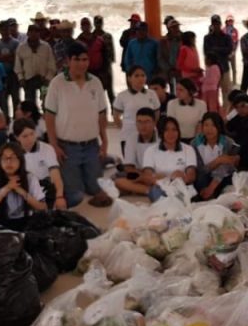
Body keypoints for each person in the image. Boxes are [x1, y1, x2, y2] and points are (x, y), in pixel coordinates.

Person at [44, 45, 113, 208]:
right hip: (67, 148)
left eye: (85, 59)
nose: (81, 64)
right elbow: (49, 116)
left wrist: (104, 141)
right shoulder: (57, 83)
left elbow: (102, 114)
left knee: (97, 190)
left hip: (91, 145)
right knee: (75, 196)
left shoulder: (95, 82)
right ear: (68, 61)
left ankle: (105, 161)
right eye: (77, 59)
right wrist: (54, 145)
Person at [0, 140, 46, 229]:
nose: (9, 162)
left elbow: (42, 208)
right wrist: (4, 190)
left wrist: (21, 191)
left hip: (26, 222)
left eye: (13, 158)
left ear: (20, 160)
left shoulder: (30, 178)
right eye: (4, 158)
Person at [141, 116, 198, 201]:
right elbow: (147, 176)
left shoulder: (188, 149)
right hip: (160, 188)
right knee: (156, 194)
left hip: (182, 188)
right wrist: (171, 178)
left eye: (174, 130)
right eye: (166, 130)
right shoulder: (150, 150)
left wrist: (179, 179)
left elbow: (191, 175)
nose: (171, 133)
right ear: (161, 133)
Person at [13, 118, 66, 209]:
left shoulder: (47, 148)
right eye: (25, 136)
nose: (30, 139)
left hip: (47, 187)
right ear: (17, 137)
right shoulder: (13, 152)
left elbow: (55, 174)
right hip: (26, 189)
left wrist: (59, 196)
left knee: (74, 196)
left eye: (32, 134)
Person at [114, 65, 160, 155]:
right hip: (129, 133)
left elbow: (156, 112)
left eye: (143, 75)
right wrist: (124, 127)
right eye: (136, 76)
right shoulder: (122, 95)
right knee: (131, 163)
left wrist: (151, 125)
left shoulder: (152, 94)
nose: (140, 78)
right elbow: (116, 116)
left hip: (149, 134)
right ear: (129, 78)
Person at [193, 112, 239, 201]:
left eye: (213, 125)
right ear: (202, 126)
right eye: (206, 125)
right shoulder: (195, 143)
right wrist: (218, 161)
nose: (209, 129)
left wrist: (211, 188)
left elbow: (227, 166)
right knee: (201, 179)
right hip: (204, 177)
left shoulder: (228, 142)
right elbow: (199, 169)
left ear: (219, 127)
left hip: (223, 177)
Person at [114, 108, 160, 198]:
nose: (143, 125)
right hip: (140, 175)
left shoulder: (162, 138)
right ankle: (150, 191)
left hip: (158, 175)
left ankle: (142, 189)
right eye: (139, 122)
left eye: (147, 121)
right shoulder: (132, 138)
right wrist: (143, 176)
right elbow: (128, 167)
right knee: (118, 181)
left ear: (154, 123)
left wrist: (150, 177)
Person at [15, 24, 56, 105]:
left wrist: (48, 78)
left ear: (39, 33)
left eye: (36, 32)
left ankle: (46, 117)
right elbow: (18, 65)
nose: (33, 34)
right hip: (28, 80)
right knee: (30, 104)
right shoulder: (21, 47)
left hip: (44, 79)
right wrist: (21, 78)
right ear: (27, 33)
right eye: (31, 31)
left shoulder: (46, 46)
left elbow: (51, 63)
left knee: (46, 102)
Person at [204, 14, 235, 105]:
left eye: (217, 23)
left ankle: (226, 115)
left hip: (224, 68)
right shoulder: (207, 38)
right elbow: (207, 52)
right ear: (212, 25)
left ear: (220, 24)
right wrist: (221, 50)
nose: (216, 25)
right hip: (212, 70)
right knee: (213, 93)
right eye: (214, 24)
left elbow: (229, 50)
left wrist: (215, 49)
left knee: (226, 93)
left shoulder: (227, 37)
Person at [0, 19, 21, 115]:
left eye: (7, 29)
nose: (5, 32)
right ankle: (5, 120)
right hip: (0, 75)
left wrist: (0, 57)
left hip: (13, 74)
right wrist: (7, 57)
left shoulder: (16, 43)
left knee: (15, 98)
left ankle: (17, 118)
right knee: (2, 99)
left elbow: (15, 58)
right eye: (3, 30)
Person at [168, 78, 207, 143]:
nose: (177, 92)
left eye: (181, 90)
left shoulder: (201, 104)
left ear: (190, 91)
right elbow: (171, 123)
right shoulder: (171, 104)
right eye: (176, 89)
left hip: (195, 139)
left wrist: (196, 141)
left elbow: (200, 124)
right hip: (177, 139)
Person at [91, 15, 116, 104]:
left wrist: (110, 62)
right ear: (94, 24)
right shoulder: (91, 36)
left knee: (110, 91)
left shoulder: (108, 36)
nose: (98, 25)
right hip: (95, 68)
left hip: (107, 66)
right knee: (96, 91)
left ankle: (114, 112)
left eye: (100, 22)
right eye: (97, 23)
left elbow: (112, 51)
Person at [159, 17, 183, 87]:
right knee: (172, 91)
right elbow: (160, 58)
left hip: (180, 71)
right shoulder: (163, 41)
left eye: (177, 27)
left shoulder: (183, 39)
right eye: (174, 27)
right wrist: (168, 69)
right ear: (169, 29)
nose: (177, 29)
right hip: (169, 71)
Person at [224, 15, 240, 84]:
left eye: (231, 21)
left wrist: (234, 51)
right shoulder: (223, 30)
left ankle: (234, 82)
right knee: (226, 68)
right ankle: (227, 81)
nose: (230, 22)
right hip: (225, 52)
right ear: (226, 21)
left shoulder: (235, 30)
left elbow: (236, 41)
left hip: (232, 52)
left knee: (234, 69)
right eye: (229, 21)